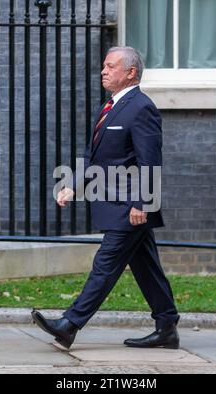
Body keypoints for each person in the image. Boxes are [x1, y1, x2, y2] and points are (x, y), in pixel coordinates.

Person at [32, 46, 180, 350]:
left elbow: (149, 160)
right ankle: (167, 327)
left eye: (111, 66)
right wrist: (73, 184)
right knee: (147, 268)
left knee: (105, 265)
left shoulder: (141, 108)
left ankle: (69, 324)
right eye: (104, 66)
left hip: (129, 206)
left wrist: (143, 202)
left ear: (131, 73)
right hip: (117, 203)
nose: (104, 71)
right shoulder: (111, 106)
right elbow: (94, 157)